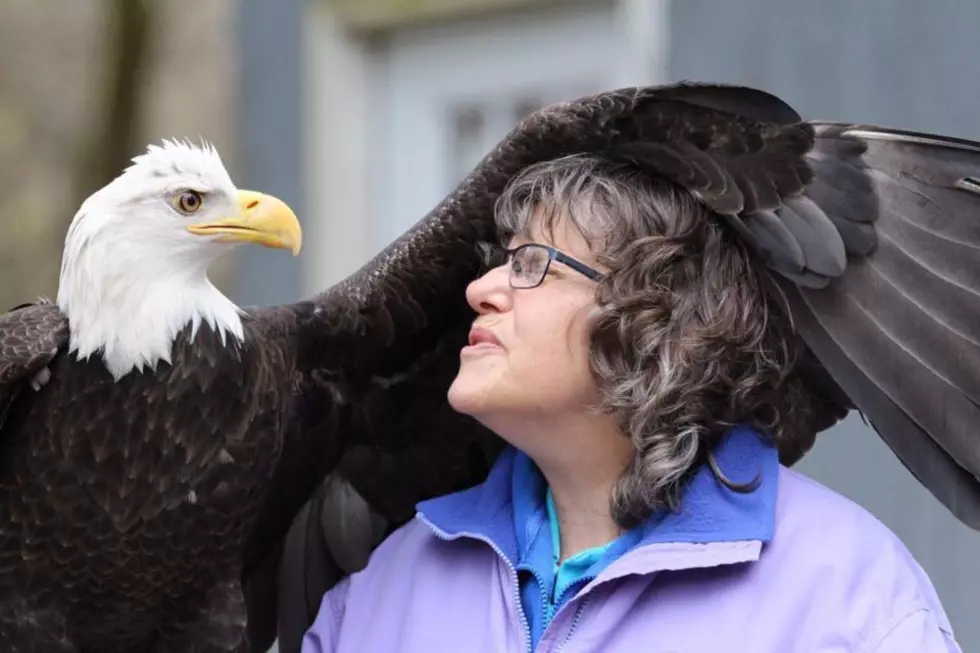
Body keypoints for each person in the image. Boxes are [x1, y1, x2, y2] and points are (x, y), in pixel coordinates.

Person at [301, 153, 962, 652]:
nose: (481, 289)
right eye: (499, 261)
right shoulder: (383, 590)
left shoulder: (845, 592)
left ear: (659, 315)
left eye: (531, 263)